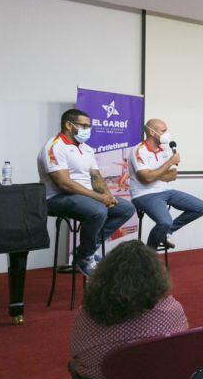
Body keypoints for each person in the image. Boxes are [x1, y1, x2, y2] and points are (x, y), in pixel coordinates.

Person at [70, 241, 188, 379]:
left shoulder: (86, 315)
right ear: (156, 276)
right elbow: (180, 347)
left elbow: (76, 352)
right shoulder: (171, 310)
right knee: (150, 370)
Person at [38, 108, 135, 276]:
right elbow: (64, 183)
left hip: (84, 197)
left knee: (125, 208)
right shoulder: (54, 146)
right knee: (97, 211)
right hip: (57, 198)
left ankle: (85, 251)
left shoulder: (86, 149)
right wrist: (99, 198)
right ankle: (85, 256)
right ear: (69, 125)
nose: (87, 130)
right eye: (84, 126)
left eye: (89, 126)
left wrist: (108, 196)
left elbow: (95, 176)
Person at [129, 119, 203, 250]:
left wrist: (153, 174)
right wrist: (169, 163)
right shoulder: (138, 150)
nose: (167, 134)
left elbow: (172, 175)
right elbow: (145, 179)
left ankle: (167, 232)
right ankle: (149, 256)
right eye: (163, 131)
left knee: (200, 207)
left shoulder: (164, 150)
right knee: (165, 221)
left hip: (165, 191)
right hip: (144, 194)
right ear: (152, 132)